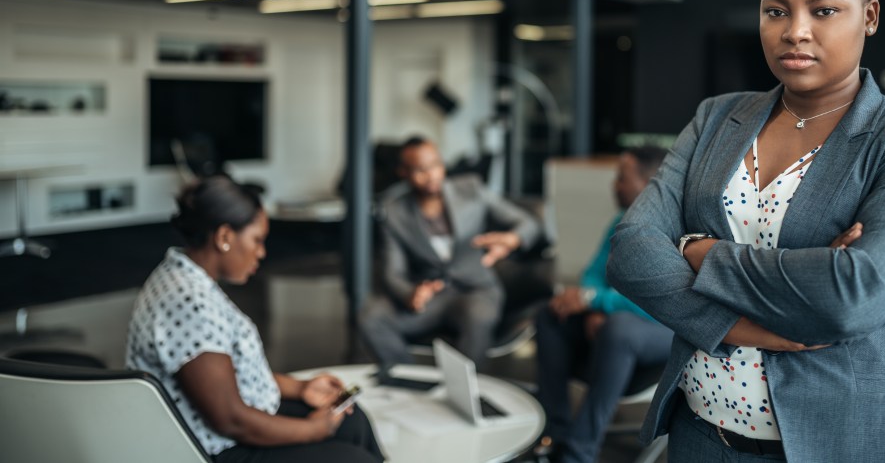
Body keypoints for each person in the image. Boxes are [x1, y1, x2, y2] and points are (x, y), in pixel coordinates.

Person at [607, 0, 885, 462]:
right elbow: (631, 254)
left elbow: (854, 295)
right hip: (702, 437)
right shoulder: (716, 116)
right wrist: (743, 326)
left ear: (868, 16)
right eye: (777, 10)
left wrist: (698, 252)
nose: (795, 31)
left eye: (824, 10)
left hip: (842, 441)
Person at [126, 176, 385, 463]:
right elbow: (230, 419)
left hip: (227, 429)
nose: (261, 253)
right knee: (349, 458)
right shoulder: (188, 302)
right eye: (257, 240)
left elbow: (224, 376)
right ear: (224, 237)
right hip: (217, 449)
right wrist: (312, 430)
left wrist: (300, 388)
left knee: (349, 420)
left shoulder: (182, 274)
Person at [532, 146, 674, 463]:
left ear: (650, 183)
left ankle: (579, 453)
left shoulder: (675, 229)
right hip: (612, 324)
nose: (614, 185)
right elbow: (593, 273)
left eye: (621, 178)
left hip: (665, 330)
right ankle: (555, 431)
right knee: (550, 313)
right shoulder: (620, 221)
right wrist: (594, 305)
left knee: (620, 328)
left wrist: (599, 303)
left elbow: (660, 300)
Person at [358, 136, 541, 367]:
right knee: (371, 317)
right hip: (431, 296)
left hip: (476, 290)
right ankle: (408, 380)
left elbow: (530, 223)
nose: (431, 174)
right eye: (420, 169)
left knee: (478, 316)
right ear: (403, 172)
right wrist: (410, 294)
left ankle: (468, 391)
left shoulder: (471, 190)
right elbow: (393, 271)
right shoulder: (393, 213)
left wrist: (511, 239)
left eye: (435, 164)